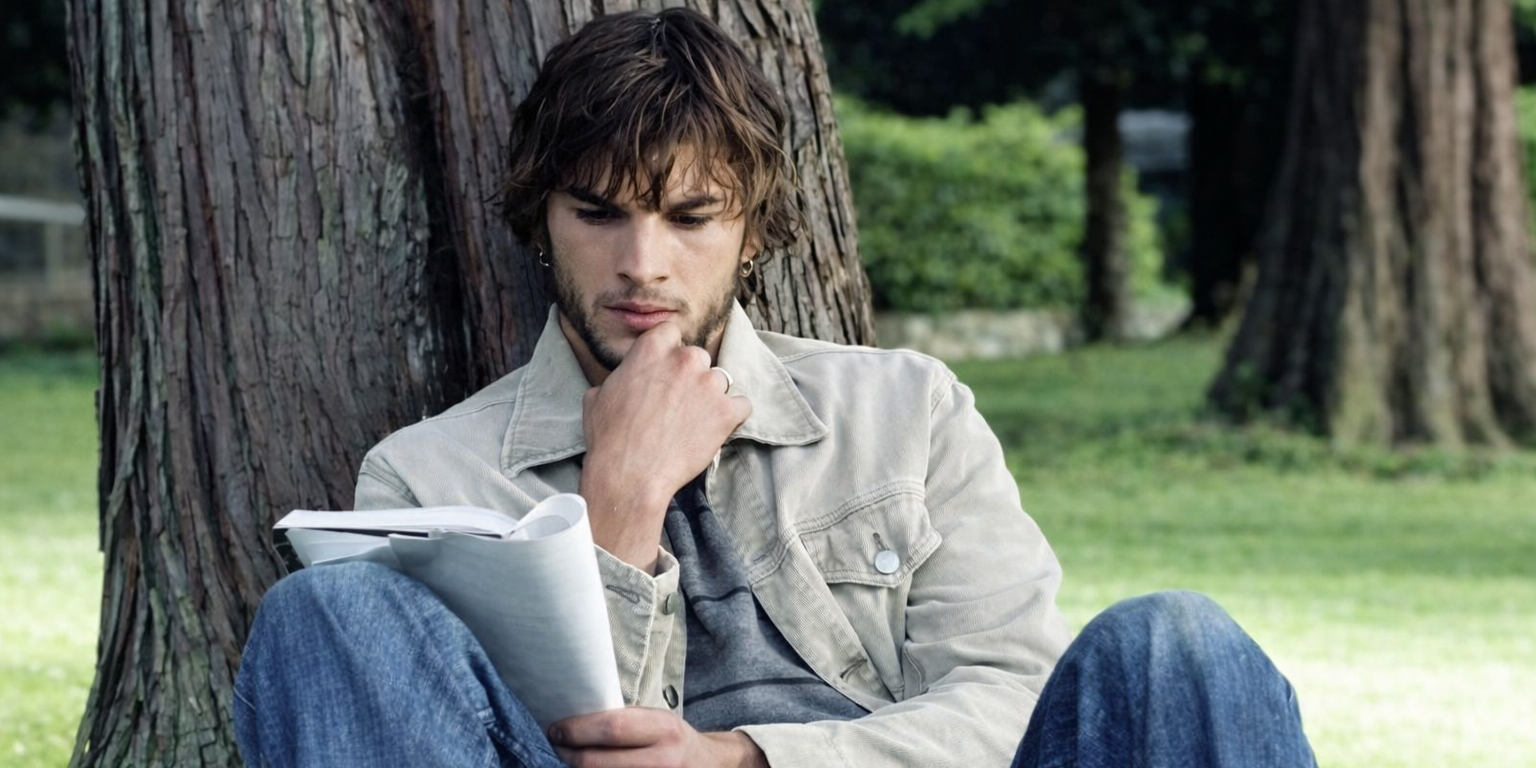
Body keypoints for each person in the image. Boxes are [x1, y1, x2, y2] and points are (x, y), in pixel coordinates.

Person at [233, 9, 1317, 768]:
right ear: (541, 221)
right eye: (598, 214)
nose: (642, 264)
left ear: (753, 229)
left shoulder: (908, 411)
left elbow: (1013, 701)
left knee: (1178, 645)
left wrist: (747, 757)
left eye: (690, 217)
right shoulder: (427, 478)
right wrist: (618, 509)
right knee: (326, 614)